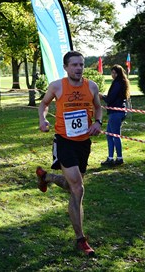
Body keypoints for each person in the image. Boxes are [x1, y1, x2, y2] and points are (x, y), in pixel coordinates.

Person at [36, 51, 102, 257]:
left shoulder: (91, 86)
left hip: (84, 143)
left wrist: (98, 122)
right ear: (66, 67)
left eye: (81, 65)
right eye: (74, 65)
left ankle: (47, 177)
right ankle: (81, 239)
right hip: (64, 141)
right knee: (78, 188)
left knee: (72, 185)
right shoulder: (57, 86)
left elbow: (99, 108)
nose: (78, 68)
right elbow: (44, 104)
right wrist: (42, 119)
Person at [100, 64, 131, 167]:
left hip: (116, 113)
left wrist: (102, 97)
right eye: (111, 72)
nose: (112, 75)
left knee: (116, 136)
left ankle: (119, 158)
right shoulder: (120, 82)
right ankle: (110, 157)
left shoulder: (118, 83)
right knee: (109, 135)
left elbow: (110, 98)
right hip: (116, 112)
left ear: (118, 73)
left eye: (114, 73)